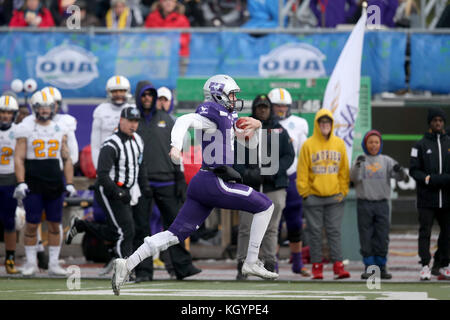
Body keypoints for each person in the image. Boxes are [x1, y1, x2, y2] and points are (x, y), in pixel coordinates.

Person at [111, 74, 278, 295]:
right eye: (231, 93)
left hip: (204, 182)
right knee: (265, 205)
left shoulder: (226, 116)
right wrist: (175, 146)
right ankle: (251, 261)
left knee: (173, 235)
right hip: (213, 181)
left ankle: (128, 263)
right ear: (218, 94)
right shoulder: (210, 114)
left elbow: (248, 142)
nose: (234, 98)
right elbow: (184, 120)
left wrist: (256, 125)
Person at [132, 80, 200, 282]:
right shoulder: (133, 120)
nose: (147, 98)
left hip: (167, 181)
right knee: (141, 227)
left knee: (176, 227)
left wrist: (180, 177)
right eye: (144, 95)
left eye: (150, 95)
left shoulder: (168, 120)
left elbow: (178, 151)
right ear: (138, 96)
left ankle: (183, 268)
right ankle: (144, 271)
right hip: (142, 183)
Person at [66, 107, 152, 262]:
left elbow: (141, 165)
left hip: (126, 190)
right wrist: (118, 192)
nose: (133, 125)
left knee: (117, 231)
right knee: (126, 231)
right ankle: (124, 268)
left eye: (136, 121)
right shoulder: (111, 143)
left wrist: (145, 186)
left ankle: (81, 226)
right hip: (109, 189)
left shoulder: (138, 140)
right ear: (121, 121)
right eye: (130, 121)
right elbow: (103, 174)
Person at [13, 90, 76, 276]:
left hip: (54, 181)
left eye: (48, 107)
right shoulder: (26, 127)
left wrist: (70, 182)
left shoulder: (59, 128)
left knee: (55, 224)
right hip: (33, 181)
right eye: (42, 107)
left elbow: (67, 158)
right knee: (32, 224)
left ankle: (54, 263)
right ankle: (31, 263)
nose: (45, 111)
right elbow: (19, 158)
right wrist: (21, 181)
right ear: (35, 108)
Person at [234, 94, 295, 279]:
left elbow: (289, 155)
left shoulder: (279, 130)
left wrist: (274, 170)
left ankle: (269, 262)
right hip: (249, 187)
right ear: (254, 109)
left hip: (274, 186)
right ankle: (243, 263)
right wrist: (247, 174)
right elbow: (236, 156)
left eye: (265, 107)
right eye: (259, 107)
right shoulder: (243, 130)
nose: (262, 110)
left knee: (272, 227)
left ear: (270, 109)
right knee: (245, 226)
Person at [297, 108, 350, 280]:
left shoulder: (339, 143)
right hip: (313, 196)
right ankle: (317, 268)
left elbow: (344, 170)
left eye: (328, 123)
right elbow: (302, 170)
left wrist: (343, 191)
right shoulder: (308, 144)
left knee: (334, 231)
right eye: (322, 123)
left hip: (334, 196)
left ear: (331, 124)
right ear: (317, 124)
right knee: (315, 233)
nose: (325, 126)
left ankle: (338, 267)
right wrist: (305, 193)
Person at [350, 129, 409, 280]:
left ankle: (381, 267)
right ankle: (370, 267)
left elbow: (402, 178)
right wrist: (357, 165)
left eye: (376, 142)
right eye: (370, 142)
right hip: (364, 204)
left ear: (380, 144)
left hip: (382, 204)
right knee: (366, 237)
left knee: (382, 237)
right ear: (365, 144)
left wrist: (400, 171)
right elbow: (353, 179)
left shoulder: (387, 160)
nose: (373, 145)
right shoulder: (360, 159)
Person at [268, 87, 310, 277]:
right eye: (277, 105)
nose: (281, 109)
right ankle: (272, 263)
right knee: (273, 222)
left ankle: (297, 262)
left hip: (292, 175)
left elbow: (304, 153)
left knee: (294, 222)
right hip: (272, 177)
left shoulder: (299, 124)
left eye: (284, 106)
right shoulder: (264, 124)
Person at [409, 107, 450, 280]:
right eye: (435, 121)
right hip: (427, 199)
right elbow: (413, 170)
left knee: (448, 232)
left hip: (447, 199)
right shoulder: (420, 145)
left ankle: (443, 264)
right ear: (430, 123)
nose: (438, 123)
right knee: (425, 232)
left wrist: (442, 180)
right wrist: (427, 179)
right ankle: (425, 265)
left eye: (440, 121)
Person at [90, 75, 135, 170]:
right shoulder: (101, 110)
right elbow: (95, 145)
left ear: (127, 91)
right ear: (109, 92)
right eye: (115, 91)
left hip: (128, 161)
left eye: (122, 91)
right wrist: (98, 168)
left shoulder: (133, 109)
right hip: (107, 160)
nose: (118, 94)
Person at [0, 95, 20, 274]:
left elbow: (22, 158)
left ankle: (10, 259)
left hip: (10, 179)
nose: (5, 115)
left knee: (9, 222)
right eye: (2, 112)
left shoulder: (19, 131)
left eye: (8, 112)